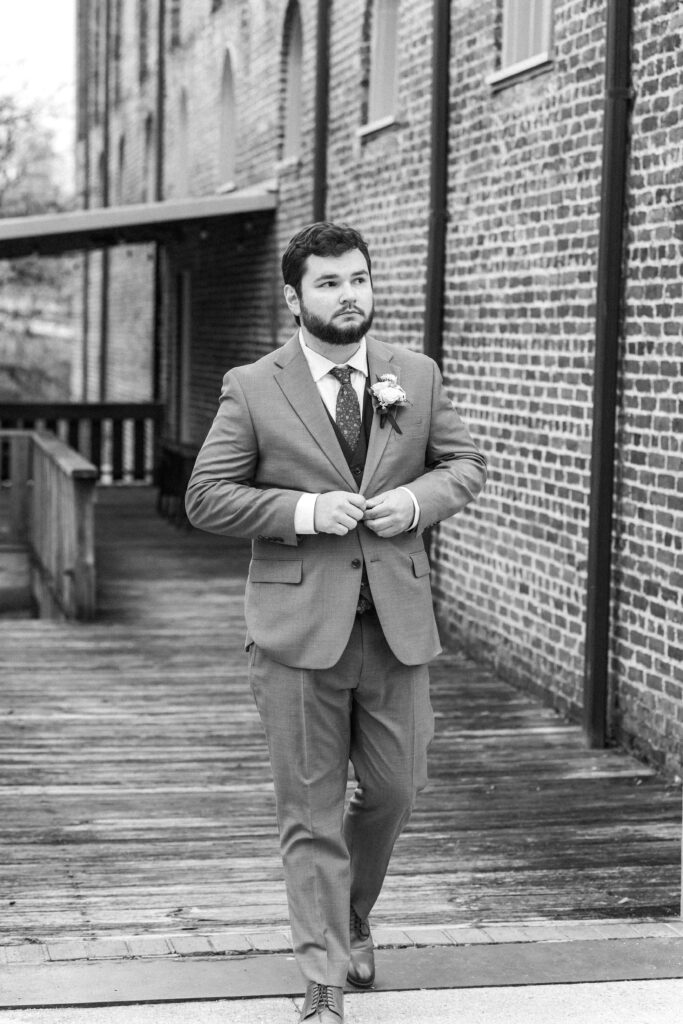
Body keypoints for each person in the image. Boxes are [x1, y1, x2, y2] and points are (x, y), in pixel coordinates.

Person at [185, 222, 487, 1023]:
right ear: (294, 297)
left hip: (396, 628)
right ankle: (321, 975)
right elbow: (206, 497)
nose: (348, 294)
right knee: (309, 810)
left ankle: (352, 911)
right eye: (327, 282)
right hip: (296, 633)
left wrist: (416, 500)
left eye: (357, 279)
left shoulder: (412, 374)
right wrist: (308, 510)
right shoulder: (253, 386)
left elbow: (464, 465)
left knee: (395, 789)